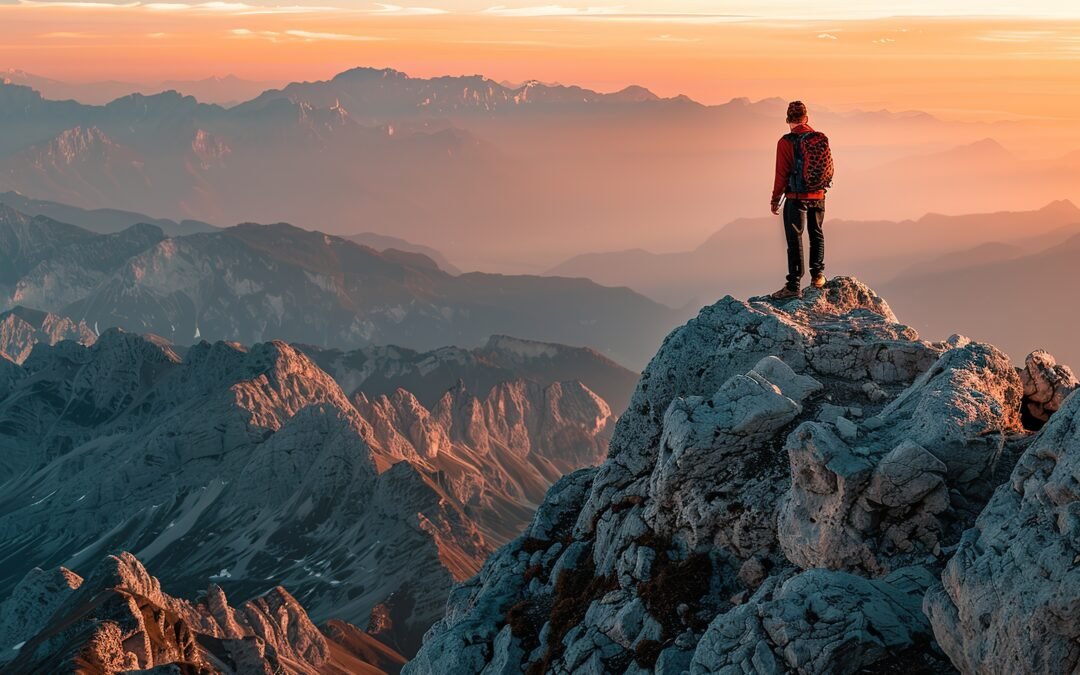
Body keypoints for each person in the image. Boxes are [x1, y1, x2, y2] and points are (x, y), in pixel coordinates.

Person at [769, 100, 828, 300]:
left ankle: (793, 285)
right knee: (816, 233)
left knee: (795, 239)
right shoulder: (818, 139)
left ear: (788, 120)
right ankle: (818, 276)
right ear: (807, 118)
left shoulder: (786, 142)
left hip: (796, 197)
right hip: (819, 195)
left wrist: (775, 199)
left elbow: (781, 174)